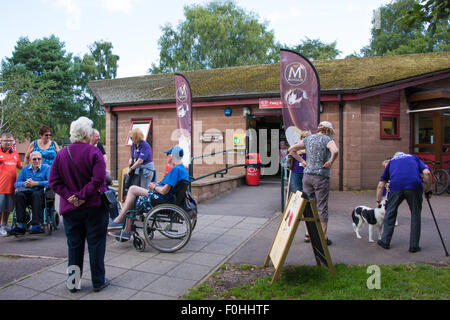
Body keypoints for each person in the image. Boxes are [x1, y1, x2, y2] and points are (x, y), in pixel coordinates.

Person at [49, 116, 110, 293]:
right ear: (86, 134)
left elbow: (54, 181)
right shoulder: (94, 152)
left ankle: (73, 282)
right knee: (96, 244)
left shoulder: (61, 154)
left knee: (74, 246)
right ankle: (98, 281)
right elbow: (99, 179)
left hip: (71, 210)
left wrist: (70, 197)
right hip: (94, 208)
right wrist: (82, 196)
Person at [108, 145, 189, 240]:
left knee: (132, 189)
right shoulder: (183, 169)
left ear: (172, 156)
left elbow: (164, 191)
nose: (166, 156)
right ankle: (126, 230)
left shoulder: (176, 170)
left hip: (161, 198)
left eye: (167, 154)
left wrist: (154, 187)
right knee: (132, 197)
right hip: (167, 197)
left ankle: (119, 220)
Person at [288, 121, 339, 245]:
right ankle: (321, 239)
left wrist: (302, 161)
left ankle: (308, 234)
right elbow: (335, 151)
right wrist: (331, 161)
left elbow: (291, 149)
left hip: (307, 176)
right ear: (328, 130)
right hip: (321, 177)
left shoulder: (308, 139)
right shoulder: (328, 139)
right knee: (322, 207)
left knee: (309, 206)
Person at [376, 152, 432, 253]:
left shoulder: (392, 162)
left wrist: (378, 201)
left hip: (396, 186)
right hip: (414, 186)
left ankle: (385, 241)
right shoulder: (414, 158)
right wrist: (428, 190)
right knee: (416, 214)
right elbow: (427, 173)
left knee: (390, 212)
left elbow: (381, 185)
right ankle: (414, 246)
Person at [8, 151, 50, 235]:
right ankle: (21, 225)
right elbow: (16, 184)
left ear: (41, 159)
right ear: (30, 160)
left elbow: (50, 182)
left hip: (39, 192)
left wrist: (36, 183)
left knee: (36, 194)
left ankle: (36, 224)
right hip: (26, 192)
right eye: (34, 159)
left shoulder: (46, 168)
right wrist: (25, 184)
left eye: (39, 159)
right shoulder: (25, 169)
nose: (37, 161)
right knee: (19, 195)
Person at [0, 132, 23, 236]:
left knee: (8, 208)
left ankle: (4, 224)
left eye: (10, 141)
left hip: (12, 187)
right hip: (1, 187)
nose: (8, 143)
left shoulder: (15, 154)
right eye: (6, 140)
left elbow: (20, 167)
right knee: (0, 207)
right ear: (1, 141)